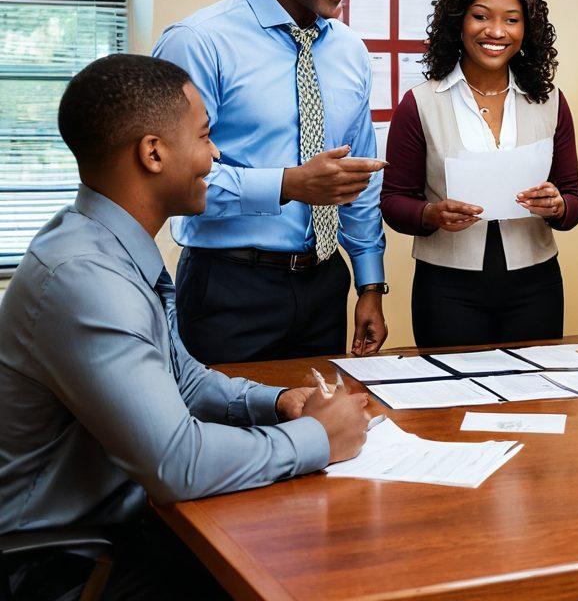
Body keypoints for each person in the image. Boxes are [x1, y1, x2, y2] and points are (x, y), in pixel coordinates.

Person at [0, 54, 371, 600]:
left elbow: (182, 379)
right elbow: (178, 463)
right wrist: (319, 437)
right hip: (63, 568)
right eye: (204, 136)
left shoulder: (105, 242)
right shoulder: (87, 278)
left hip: (125, 527)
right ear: (153, 153)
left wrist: (277, 403)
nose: (215, 154)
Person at [153, 0, 387, 365]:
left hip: (324, 284)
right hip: (229, 286)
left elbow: (360, 178)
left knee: (321, 412)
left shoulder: (351, 51)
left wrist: (370, 282)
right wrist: (288, 184)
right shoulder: (198, 42)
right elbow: (171, 178)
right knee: (219, 413)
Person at [380, 0, 578, 346]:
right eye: (481, 16)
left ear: (527, 28)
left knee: (534, 385)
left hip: (536, 287)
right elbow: (392, 201)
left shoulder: (550, 101)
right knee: (451, 386)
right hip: (446, 291)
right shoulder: (420, 103)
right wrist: (430, 214)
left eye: (511, 20)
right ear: (459, 21)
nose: (496, 31)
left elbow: (573, 200)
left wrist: (558, 206)